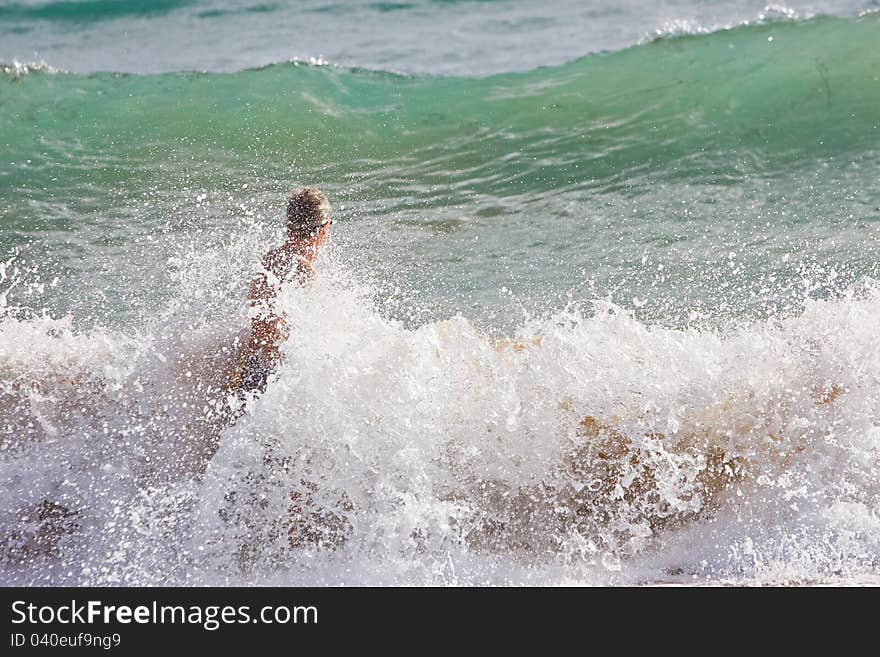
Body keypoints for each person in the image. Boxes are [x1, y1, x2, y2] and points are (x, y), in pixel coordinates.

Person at [234, 186, 333, 395]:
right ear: (324, 228)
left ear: (288, 225)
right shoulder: (303, 269)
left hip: (252, 364)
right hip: (275, 373)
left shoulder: (271, 259)